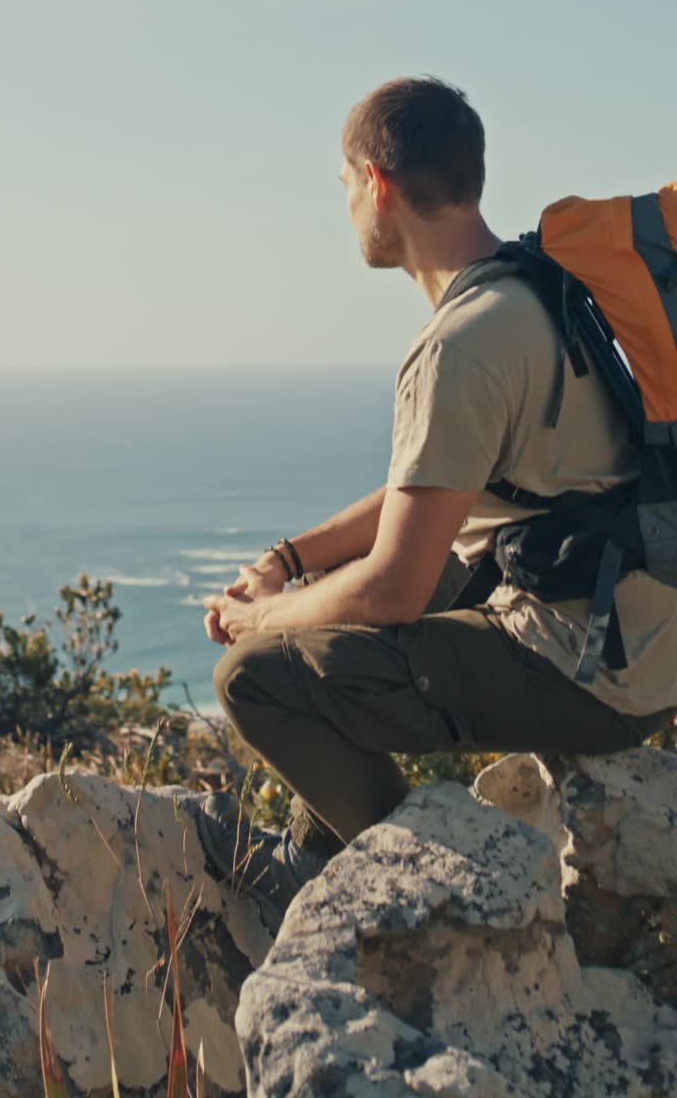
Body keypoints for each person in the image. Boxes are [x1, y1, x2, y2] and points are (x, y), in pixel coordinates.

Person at [198, 76, 677, 937]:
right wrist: (293, 560)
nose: (346, 206)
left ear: (378, 184)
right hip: (645, 635)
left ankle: (432, 894)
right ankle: (319, 853)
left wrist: (261, 620)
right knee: (374, 595)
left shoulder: (460, 344)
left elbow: (393, 591)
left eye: (345, 185)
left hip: (592, 672)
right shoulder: (538, 286)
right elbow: (443, 478)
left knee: (258, 679)